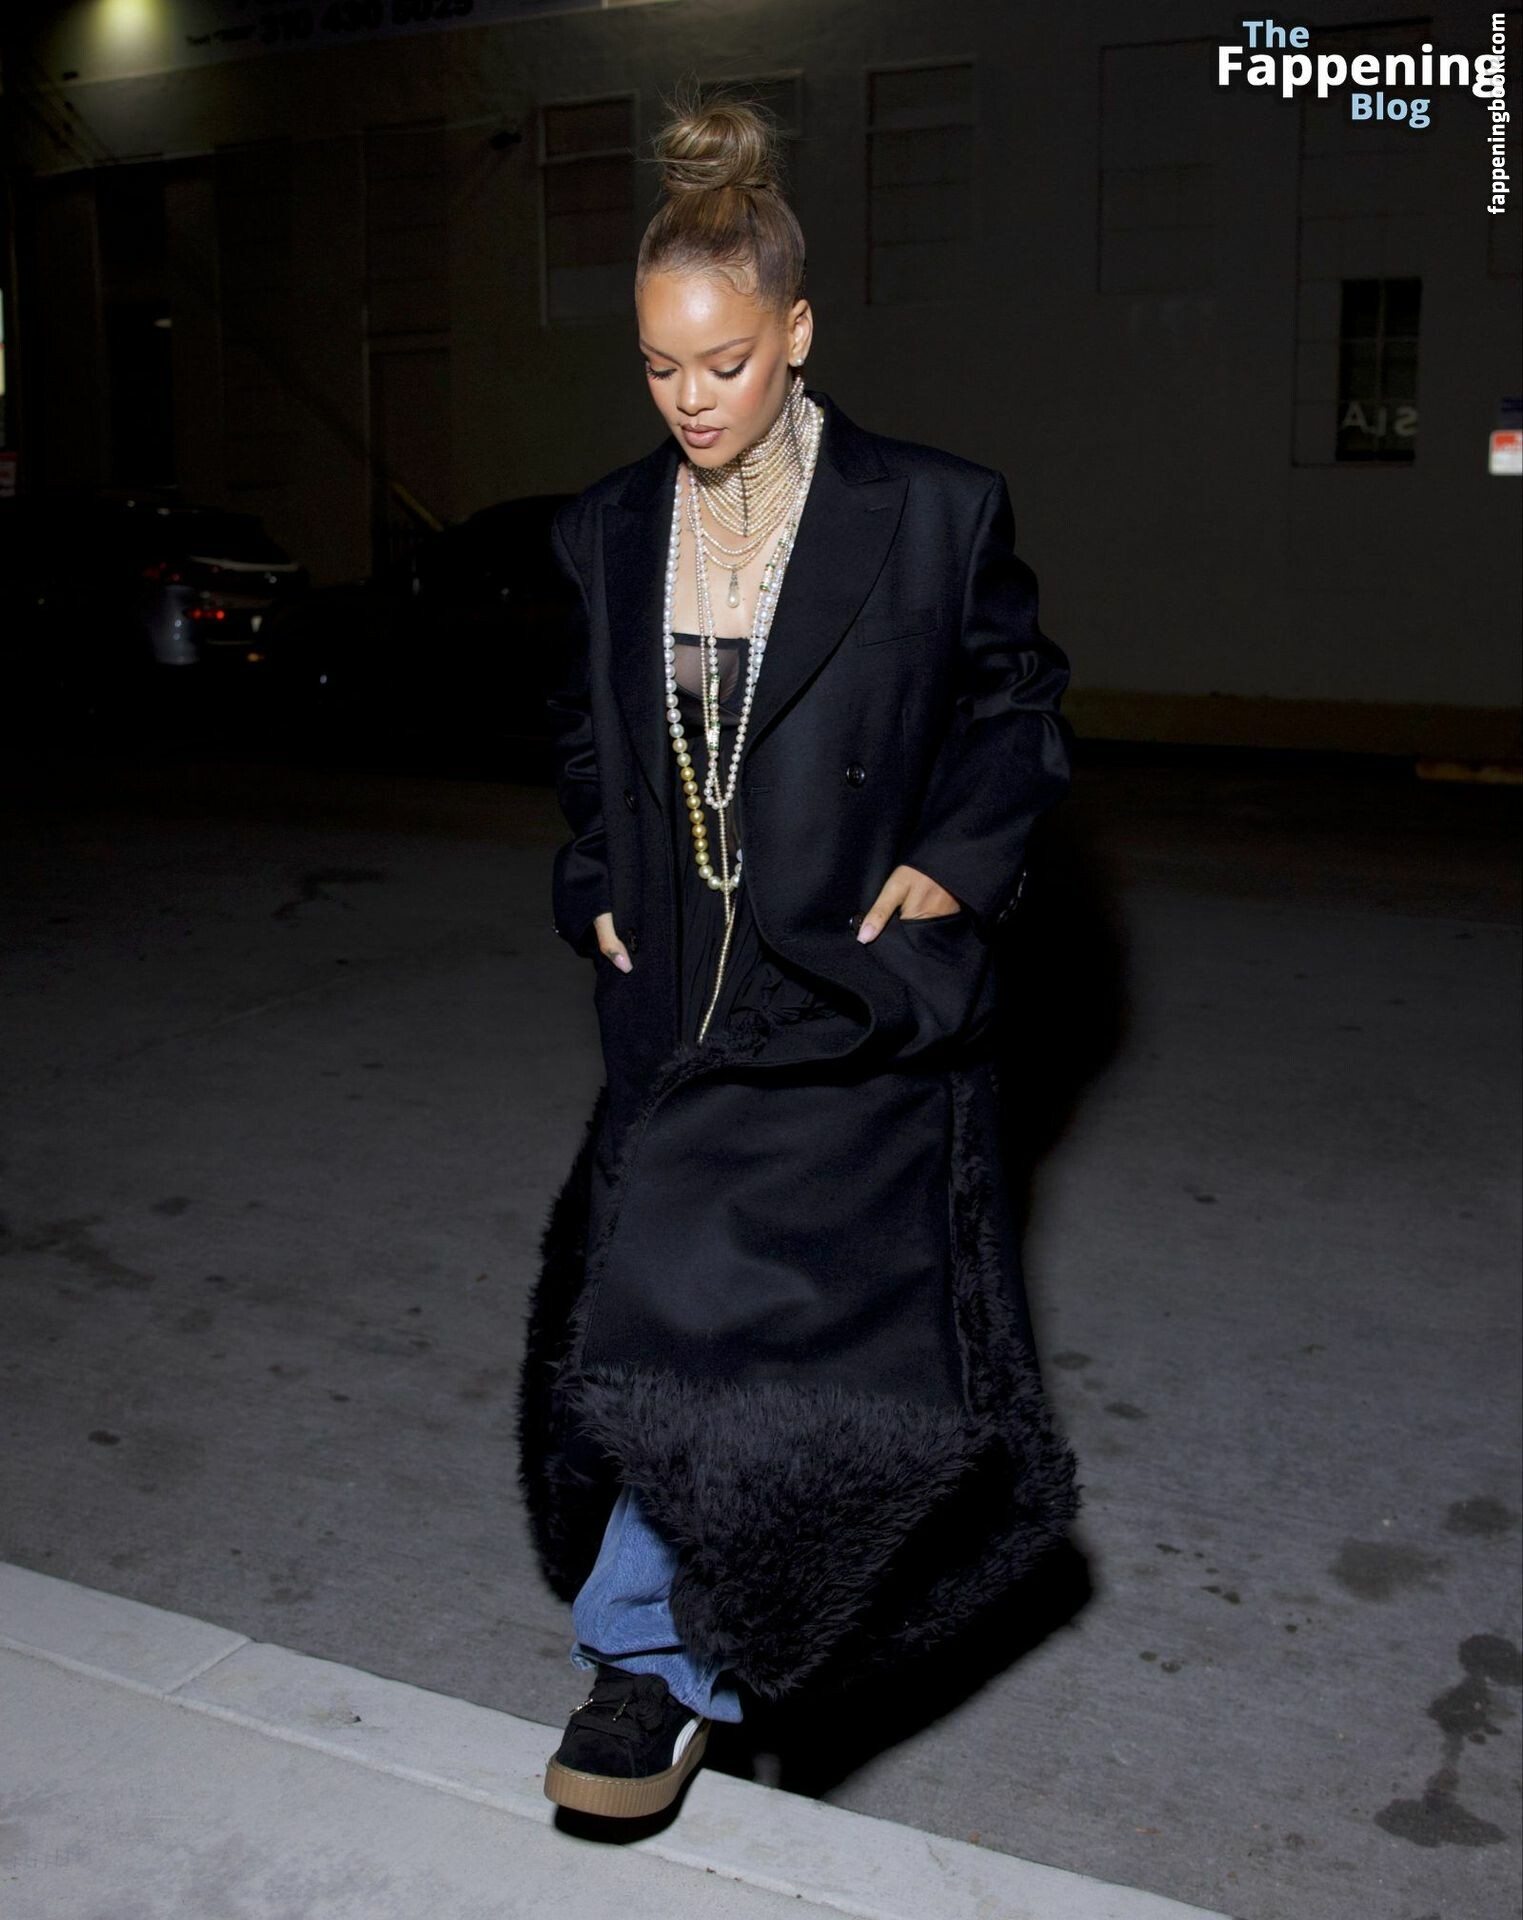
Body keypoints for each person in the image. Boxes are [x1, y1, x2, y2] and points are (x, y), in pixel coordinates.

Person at [519, 86, 1082, 1823]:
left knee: (740, 1335)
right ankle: (700, 1642)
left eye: (728, 361)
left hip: (843, 996)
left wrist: (956, 863)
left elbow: (1017, 710)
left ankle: (649, 1667)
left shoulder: (931, 513)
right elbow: (586, 733)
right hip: (672, 997)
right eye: (660, 367)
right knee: (679, 1329)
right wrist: (594, 873)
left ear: (800, 332)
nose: (692, 399)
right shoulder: (607, 530)